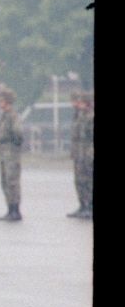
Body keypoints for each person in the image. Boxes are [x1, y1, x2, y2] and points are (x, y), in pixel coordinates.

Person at [0, 86, 24, 221]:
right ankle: (9, 209)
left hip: (11, 152)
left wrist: (13, 145)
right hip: (4, 152)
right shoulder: (5, 116)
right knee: (5, 181)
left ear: (7, 101)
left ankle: (15, 210)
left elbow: (18, 133)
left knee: (12, 181)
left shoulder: (13, 116)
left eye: (1, 100)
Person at [68, 90, 93, 219]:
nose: (77, 104)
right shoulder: (79, 115)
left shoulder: (90, 116)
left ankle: (89, 206)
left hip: (88, 153)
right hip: (79, 153)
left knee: (88, 180)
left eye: (80, 102)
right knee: (79, 180)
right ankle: (83, 205)